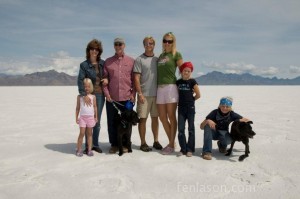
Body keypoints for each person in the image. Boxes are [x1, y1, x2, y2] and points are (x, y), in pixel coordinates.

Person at [102, 37, 135, 154]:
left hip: (127, 99)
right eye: (116, 44)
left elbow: (134, 80)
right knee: (112, 122)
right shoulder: (108, 62)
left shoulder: (131, 61)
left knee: (128, 123)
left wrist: (133, 94)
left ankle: (126, 144)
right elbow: (104, 79)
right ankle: (114, 144)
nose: (118, 46)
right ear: (114, 46)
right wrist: (107, 95)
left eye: (120, 44)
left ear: (124, 45)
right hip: (112, 99)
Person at [133, 36, 163, 152]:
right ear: (143, 45)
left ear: (154, 45)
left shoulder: (157, 59)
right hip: (144, 95)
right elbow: (136, 78)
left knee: (155, 118)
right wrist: (139, 94)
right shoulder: (139, 59)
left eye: (151, 43)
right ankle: (143, 142)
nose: (149, 45)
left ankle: (156, 141)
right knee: (143, 119)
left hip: (157, 95)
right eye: (147, 43)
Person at [77, 39, 106, 154]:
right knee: (86, 119)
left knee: (96, 120)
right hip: (88, 96)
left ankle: (95, 144)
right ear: (88, 51)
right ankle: (87, 146)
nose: (94, 51)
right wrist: (84, 94)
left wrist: (107, 79)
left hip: (99, 95)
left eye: (96, 49)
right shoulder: (84, 65)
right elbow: (80, 80)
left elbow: (107, 75)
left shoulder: (103, 63)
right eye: (92, 49)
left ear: (99, 51)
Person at [157, 32, 183, 155]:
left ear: (173, 42)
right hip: (160, 88)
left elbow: (183, 70)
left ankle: (171, 144)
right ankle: (172, 142)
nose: (167, 43)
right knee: (162, 117)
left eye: (170, 41)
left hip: (171, 87)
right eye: (165, 40)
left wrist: (188, 85)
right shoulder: (161, 56)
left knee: (171, 116)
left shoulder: (176, 54)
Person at [176, 62, 201, 157]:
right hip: (181, 108)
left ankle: (190, 149)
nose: (186, 72)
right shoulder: (178, 82)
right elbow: (177, 94)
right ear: (181, 71)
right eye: (185, 70)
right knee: (181, 129)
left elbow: (198, 95)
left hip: (190, 108)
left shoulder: (192, 82)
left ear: (191, 72)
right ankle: (183, 149)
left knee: (191, 129)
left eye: (188, 71)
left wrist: (192, 100)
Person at [75, 78, 97, 157]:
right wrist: (76, 117)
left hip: (90, 118)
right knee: (81, 133)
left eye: (88, 86)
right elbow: (77, 108)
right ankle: (79, 149)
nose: (86, 88)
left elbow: (95, 107)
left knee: (89, 134)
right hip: (82, 118)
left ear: (91, 87)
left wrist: (96, 117)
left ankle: (89, 150)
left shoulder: (93, 97)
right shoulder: (79, 97)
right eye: (85, 86)